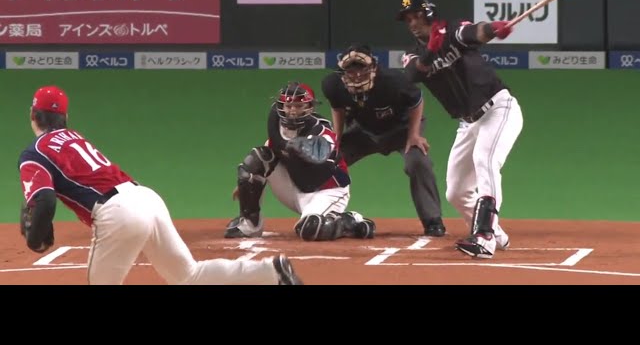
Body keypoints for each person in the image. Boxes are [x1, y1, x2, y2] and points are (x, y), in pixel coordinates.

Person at [18, 85, 303, 285]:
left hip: (117, 214)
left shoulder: (34, 153)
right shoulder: (75, 137)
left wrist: (34, 238)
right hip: (145, 198)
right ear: (65, 118)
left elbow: (44, 200)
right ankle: (270, 273)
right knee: (188, 275)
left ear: (33, 115)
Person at [396, 0, 524, 259]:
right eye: (408, 19)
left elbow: (474, 32)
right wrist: (430, 51)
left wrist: (493, 28)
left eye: (416, 16)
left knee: (485, 161)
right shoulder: (412, 53)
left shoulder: (452, 31)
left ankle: (484, 236)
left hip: (498, 109)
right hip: (468, 123)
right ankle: (497, 233)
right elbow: (414, 74)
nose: (412, 23)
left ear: (429, 14)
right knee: (456, 192)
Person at [224, 81, 375, 241]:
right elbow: (271, 150)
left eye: (298, 106)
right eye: (289, 106)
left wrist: (304, 147)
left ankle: (349, 221)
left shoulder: (322, 131)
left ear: (310, 107)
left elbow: (323, 152)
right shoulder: (277, 124)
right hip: (296, 185)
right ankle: (250, 225)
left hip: (326, 191)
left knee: (311, 229)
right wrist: (250, 179)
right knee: (257, 157)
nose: (293, 111)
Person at [321, 44, 446, 237]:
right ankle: (319, 214)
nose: (356, 75)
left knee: (418, 162)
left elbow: (417, 101)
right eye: (351, 70)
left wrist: (414, 135)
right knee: (329, 161)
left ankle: (433, 221)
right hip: (364, 132)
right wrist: (336, 139)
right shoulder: (333, 84)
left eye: (361, 68)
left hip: (402, 130)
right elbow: (338, 108)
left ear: (373, 67)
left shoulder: (393, 81)